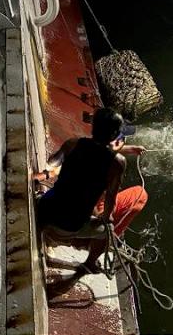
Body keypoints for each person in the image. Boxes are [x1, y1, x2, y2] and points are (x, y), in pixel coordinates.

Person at [35, 108, 147, 275]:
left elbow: (53, 160)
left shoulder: (72, 144)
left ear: (93, 127)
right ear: (114, 135)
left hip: (44, 212)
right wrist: (105, 218)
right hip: (68, 227)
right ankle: (90, 263)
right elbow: (110, 199)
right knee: (107, 231)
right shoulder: (117, 164)